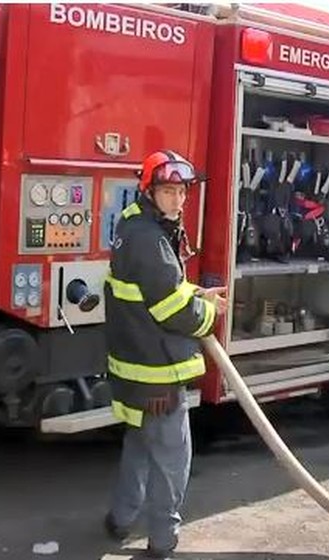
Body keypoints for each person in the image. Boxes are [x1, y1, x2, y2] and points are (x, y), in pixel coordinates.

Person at [102, 150, 227, 558]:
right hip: (158, 376)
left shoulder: (133, 225)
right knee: (172, 462)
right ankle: (163, 541)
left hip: (136, 372)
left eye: (182, 192)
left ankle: (120, 519)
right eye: (169, 191)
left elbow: (158, 290)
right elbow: (170, 308)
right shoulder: (151, 240)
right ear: (150, 190)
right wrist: (209, 311)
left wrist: (194, 293)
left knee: (138, 448)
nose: (178, 200)